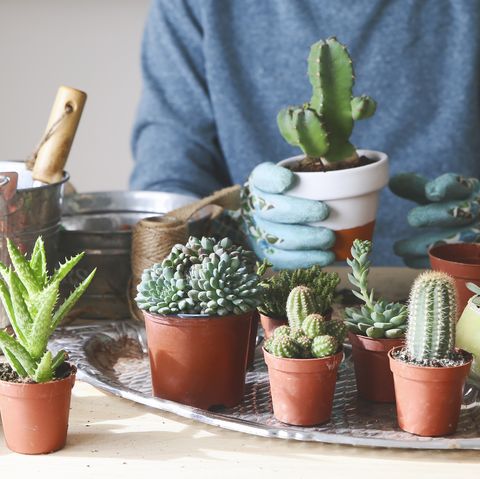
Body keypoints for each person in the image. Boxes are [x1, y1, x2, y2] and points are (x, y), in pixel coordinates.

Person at [130, 0, 480, 267]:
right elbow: (167, 184)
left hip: (457, 306)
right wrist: (237, 226)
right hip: (266, 313)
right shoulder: (196, 6)